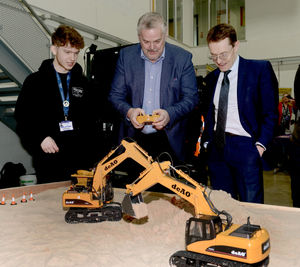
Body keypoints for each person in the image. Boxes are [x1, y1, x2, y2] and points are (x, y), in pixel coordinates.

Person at [202, 23, 278, 203]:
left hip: (246, 148)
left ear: (236, 45)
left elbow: (270, 113)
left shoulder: (258, 70)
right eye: (213, 56)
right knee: (222, 206)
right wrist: (207, 143)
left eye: (223, 55)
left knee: (251, 208)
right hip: (217, 150)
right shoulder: (211, 79)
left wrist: (259, 147)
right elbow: (209, 114)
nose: (219, 61)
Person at [108, 12, 198, 163]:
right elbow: (115, 95)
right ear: (139, 37)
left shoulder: (182, 58)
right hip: (134, 140)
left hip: (169, 140)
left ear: (165, 36)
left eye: (157, 41)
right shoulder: (126, 57)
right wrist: (129, 112)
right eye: (146, 42)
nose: (151, 47)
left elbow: (191, 98)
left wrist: (169, 114)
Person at [15, 25, 99, 183]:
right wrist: (40, 138)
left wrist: (95, 160)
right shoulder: (35, 81)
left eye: (76, 53)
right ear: (54, 49)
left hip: (80, 163)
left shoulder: (83, 83)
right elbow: (23, 119)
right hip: (48, 162)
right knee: (50, 206)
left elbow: (92, 123)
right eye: (67, 52)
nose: (72, 58)